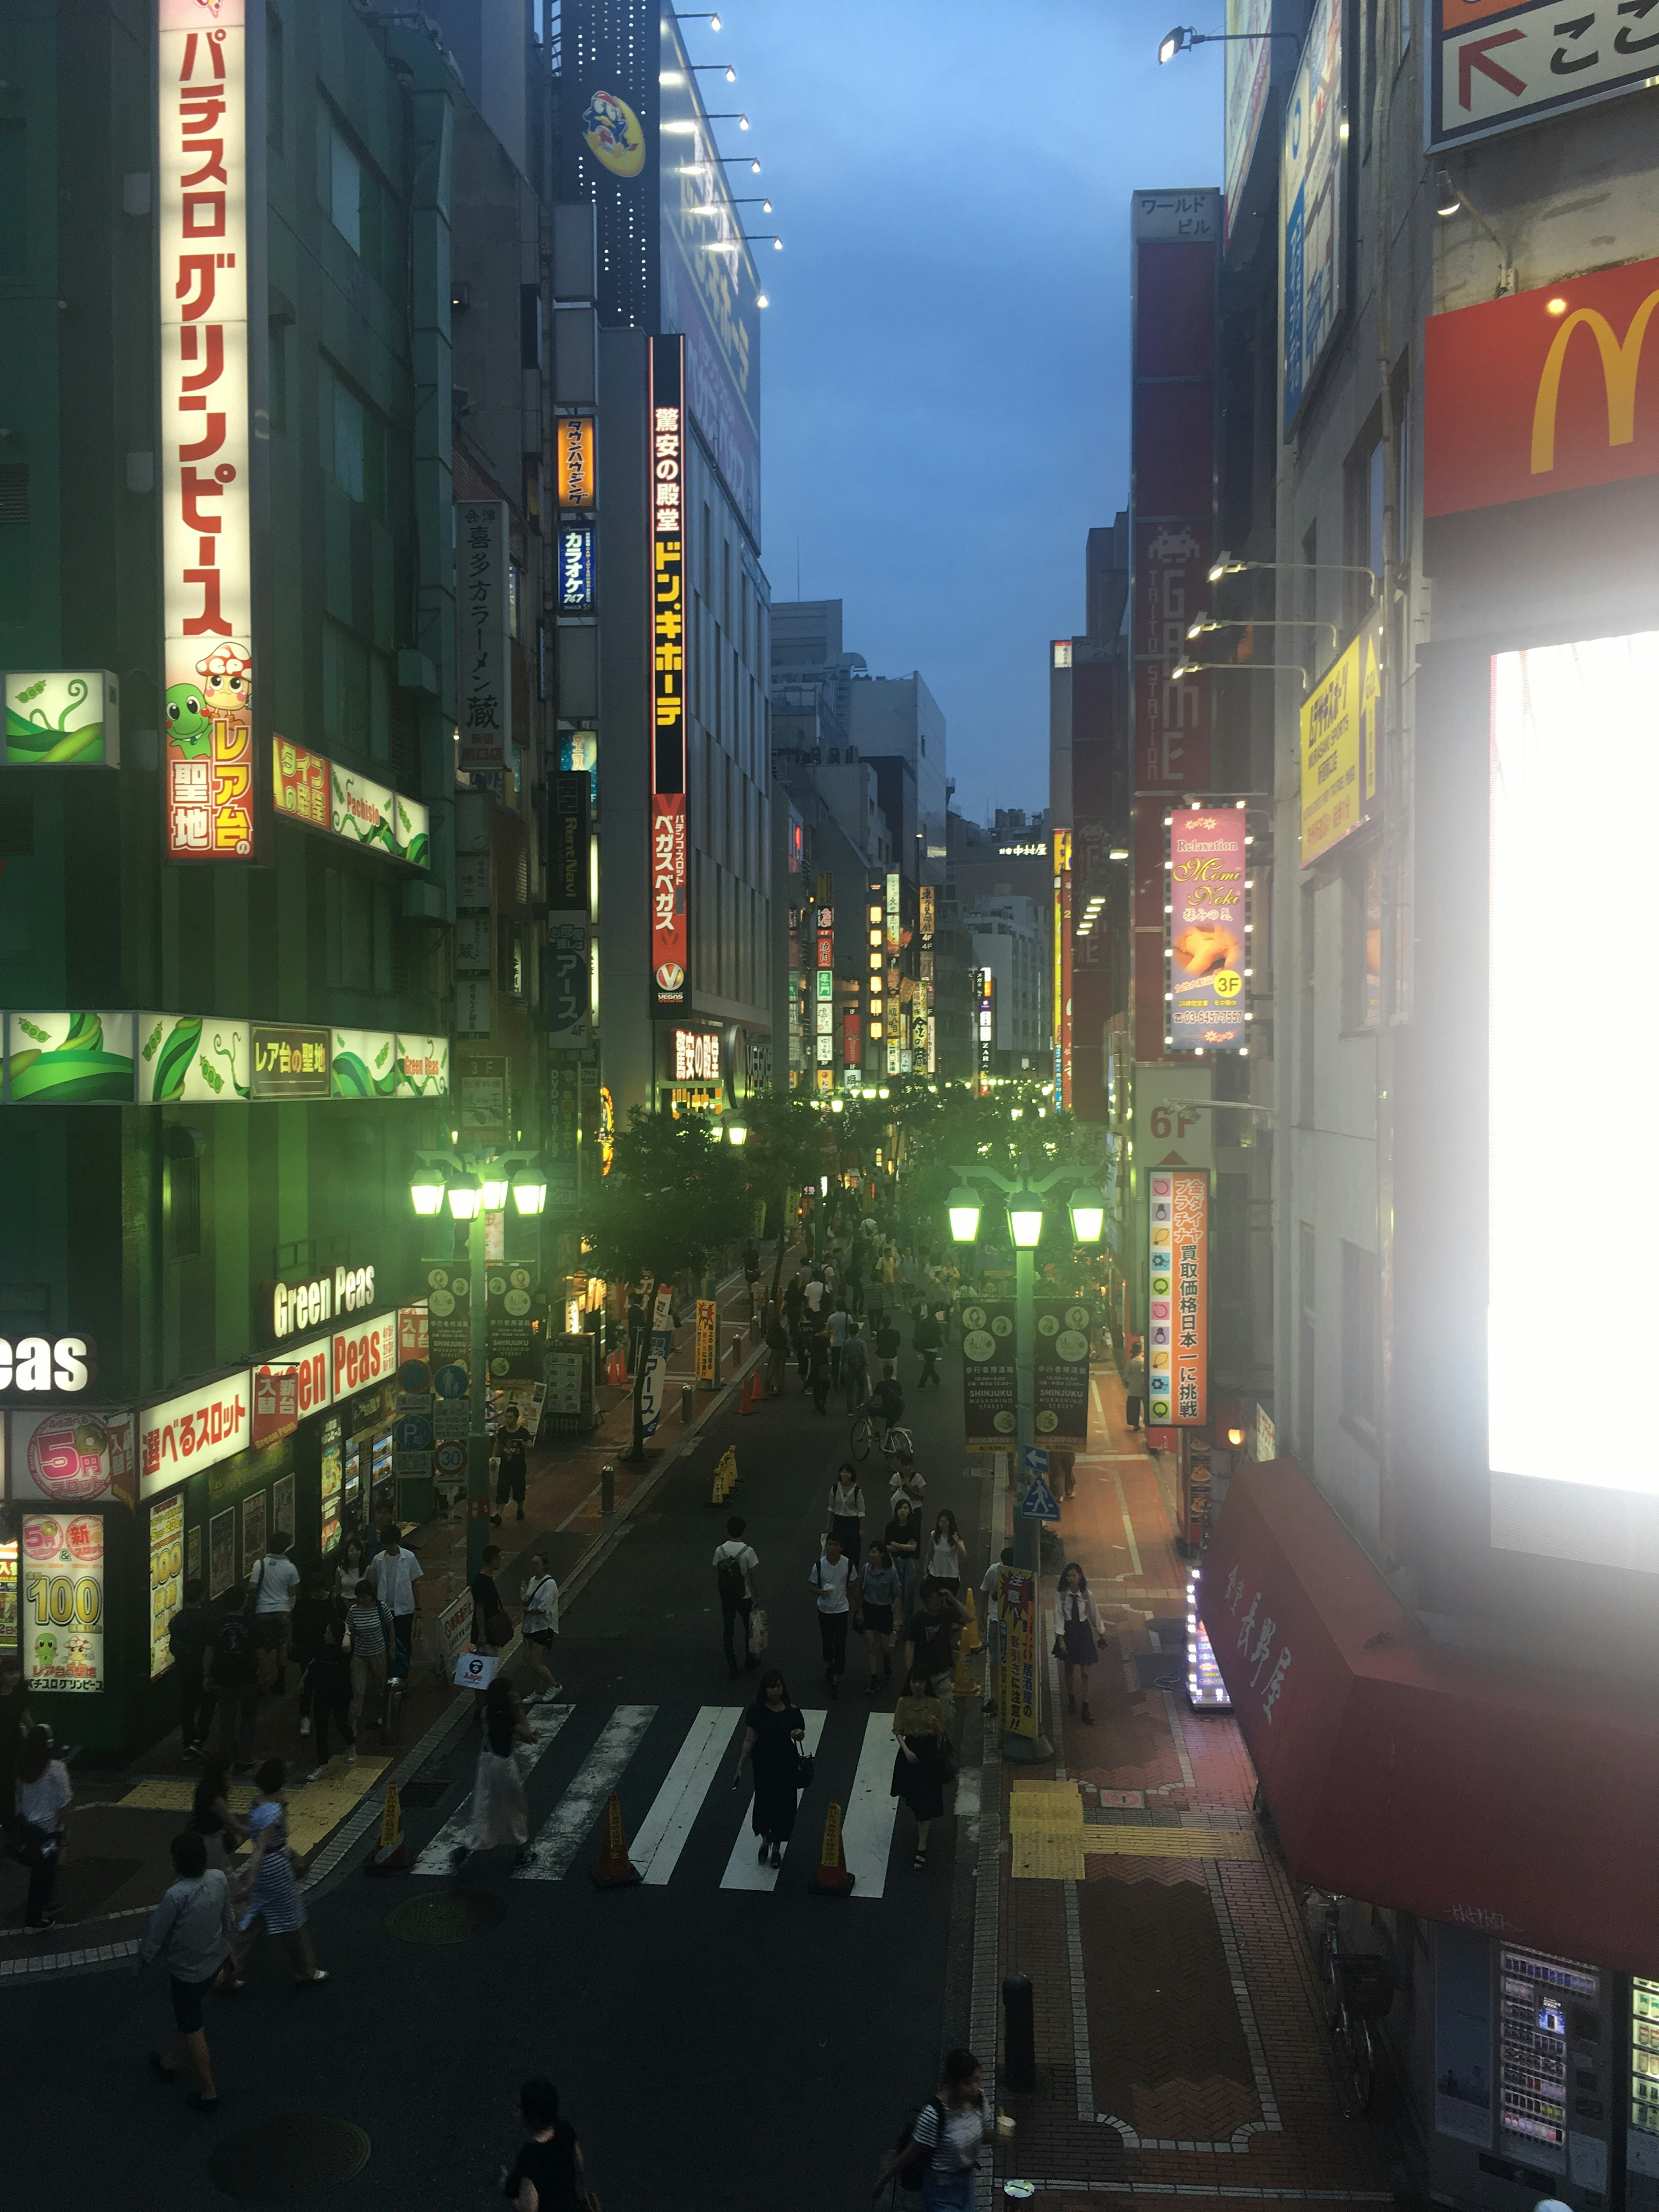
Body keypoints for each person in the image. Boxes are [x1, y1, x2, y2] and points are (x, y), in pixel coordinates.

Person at [140, 1829, 235, 2113]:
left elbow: (156, 1935)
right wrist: (228, 1953)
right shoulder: (218, 1879)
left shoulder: (176, 1895)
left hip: (186, 1972)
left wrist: (144, 1960)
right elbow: (227, 1917)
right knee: (188, 2016)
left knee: (194, 2026)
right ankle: (169, 2061)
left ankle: (209, 2091)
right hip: (213, 1961)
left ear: (177, 1862)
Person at [238, 1759, 327, 1983]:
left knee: (251, 1920)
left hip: (268, 1866)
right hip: (276, 1869)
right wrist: (251, 1877)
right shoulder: (274, 1811)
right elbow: (262, 1846)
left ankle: (230, 1971)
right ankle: (306, 1970)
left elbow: (257, 1844)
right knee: (292, 1921)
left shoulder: (257, 1804)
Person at [874, 2049, 995, 2209]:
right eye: (968, 2083)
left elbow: (980, 2134)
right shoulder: (934, 2115)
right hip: (941, 2189)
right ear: (953, 2083)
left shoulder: (978, 2100)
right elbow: (911, 2153)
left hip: (966, 2182)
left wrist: (998, 2137)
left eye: (978, 2080)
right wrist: (884, 2180)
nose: (975, 2088)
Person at [732, 1667, 806, 1870]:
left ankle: (776, 1848)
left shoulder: (792, 1710)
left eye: (779, 1686)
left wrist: (798, 1734)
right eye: (772, 1687)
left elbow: (801, 1734)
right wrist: (740, 1766)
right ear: (764, 1690)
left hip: (786, 1764)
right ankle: (765, 1842)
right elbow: (749, 1740)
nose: (777, 1691)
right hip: (764, 1765)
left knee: (785, 1805)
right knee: (764, 1802)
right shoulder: (756, 1711)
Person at [464, 1676, 533, 1866]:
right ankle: (521, 1853)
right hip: (503, 1765)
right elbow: (529, 1734)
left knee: (485, 1804)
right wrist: (519, 1707)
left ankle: (469, 1846)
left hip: (486, 1761)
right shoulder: (506, 1716)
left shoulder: (488, 1711)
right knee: (515, 1807)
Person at [890, 1663, 951, 1868]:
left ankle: (922, 1846)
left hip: (929, 1753)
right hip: (911, 1751)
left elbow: (942, 1732)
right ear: (910, 1683)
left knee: (924, 1800)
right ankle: (921, 1826)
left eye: (921, 1682)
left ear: (926, 1684)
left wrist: (937, 1727)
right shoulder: (903, 1703)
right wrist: (906, 1750)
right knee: (915, 1798)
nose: (918, 1685)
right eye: (914, 1681)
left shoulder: (934, 1704)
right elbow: (898, 1730)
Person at [500, 2076, 588, 2212]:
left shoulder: (531, 2155)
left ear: (532, 2117)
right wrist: (582, 2201)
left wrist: (508, 2191)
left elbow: (530, 2209)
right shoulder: (564, 2129)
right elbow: (579, 2166)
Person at [12, 1728, 71, 1930]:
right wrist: (63, 1832)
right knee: (44, 1873)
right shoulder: (55, 1769)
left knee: (43, 1870)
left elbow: (19, 1798)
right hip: (49, 1830)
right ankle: (35, 1918)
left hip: (27, 1829)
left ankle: (44, 1905)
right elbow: (64, 1803)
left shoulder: (22, 1767)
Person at [205, 1585, 259, 1771]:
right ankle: (246, 1755)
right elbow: (259, 1651)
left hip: (223, 1678)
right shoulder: (252, 1624)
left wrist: (207, 1675)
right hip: (248, 1677)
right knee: (249, 1717)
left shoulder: (217, 1624)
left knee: (226, 1719)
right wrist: (267, 1672)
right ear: (243, 1602)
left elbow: (209, 1652)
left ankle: (227, 1754)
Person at [305, 1611, 355, 1779]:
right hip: (322, 1692)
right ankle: (323, 1764)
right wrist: (304, 1684)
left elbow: (347, 1646)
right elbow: (313, 1665)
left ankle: (350, 1743)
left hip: (340, 1693)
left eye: (328, 1632)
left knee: (341, 1722)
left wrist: (347, 1630)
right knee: (321, 1728)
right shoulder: (321, 1647)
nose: (325, 1635)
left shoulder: (344, 1650)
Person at [369, 1526, 423, 1681]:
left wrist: (418, 1608)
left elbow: (415, 1584)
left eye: (389, 1544)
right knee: (385, 1644)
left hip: (404, 1610)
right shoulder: (377, 1560)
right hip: (384, 1610)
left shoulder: (409, 1558)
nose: (387, 1548)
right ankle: (388, 1675)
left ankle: (402, 1679)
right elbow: (374, 1585)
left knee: (404, 1644)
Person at [168, 1579, 214, 1757]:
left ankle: (188, 1743)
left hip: (183, 1669)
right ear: (202, 1596)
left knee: (187, 1706)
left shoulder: (177, 1620)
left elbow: (174, 1646)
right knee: (208, 1703)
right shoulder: (205, 1620)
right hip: (201, 1668)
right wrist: (208, 1672)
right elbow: (209, 1649)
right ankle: (199, 1740)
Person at [1056, 1561, 1107, 1724]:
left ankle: (1085, 1703)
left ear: (1080, 1576)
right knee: (1069, 1669)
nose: (1071, 1578)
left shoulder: (1087, 1595)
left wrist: (1101, 1634)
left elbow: (1094, 1614)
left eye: (1073, 1575)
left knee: (1086, 1671)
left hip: (1084, 1632)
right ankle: (1071, 1697)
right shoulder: (1062, 1595)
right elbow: (1059, 1617)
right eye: (1068, 1576)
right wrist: (1061, 1638)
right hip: (1069, 1632)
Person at [249, 1531, 300, 1692]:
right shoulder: (291, 1568)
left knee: (262, 1648)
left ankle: (263, 1678)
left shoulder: (260, 1565)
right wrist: (288, 1609)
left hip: (262, 1612)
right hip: (282, 1611)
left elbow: (252, 1588)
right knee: (281, 1646)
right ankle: (281, 1680)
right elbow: (292, 1593)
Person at [713, 1515, 761, 1679]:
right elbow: (753, 1576)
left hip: (727, 1597)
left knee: (728, 1631)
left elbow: (718, 1571)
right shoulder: (748, 1552)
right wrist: (757, 1596)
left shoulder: (720, 1551)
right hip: (744, 1596)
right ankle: (750, 1659)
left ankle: (732, 1664)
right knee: (748, 1629)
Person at [903, 1578, 966, 1699]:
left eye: (939, 1598)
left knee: (946, 1713)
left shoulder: (946, 1614)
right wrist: (911, 1673)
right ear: (926, 1600)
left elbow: (968, 1618)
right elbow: (910, 1646)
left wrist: (952, 1599)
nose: (937, 1602)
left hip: (942, 1672)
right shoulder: (917, 1620)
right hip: (923, 1676)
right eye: (933, 1599)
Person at [809, 1532, 855, 1699]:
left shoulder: (848, 1565)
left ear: (841, 1548)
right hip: (825, 1610)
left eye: (835, 1545)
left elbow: (853, 1586)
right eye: (829, 1545)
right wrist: (821, 1592)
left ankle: (836, 1677)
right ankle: (830, 1663)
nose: (831, 1548)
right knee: (828, 1642)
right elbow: (812, 1586)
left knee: (840, 1644)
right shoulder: (819, 1566)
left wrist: (859, 1608)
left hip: (842, 1610)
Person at [344, 1578, 391, 1735]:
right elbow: (351, 1631)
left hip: (378, 1653)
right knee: (358, 1690)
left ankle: (382, 1715)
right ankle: (354, 1723)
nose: (360, 1600)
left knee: (380, 1687)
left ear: (371, 1595)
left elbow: (390, 1627)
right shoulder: (354, 1611)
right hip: (360, 1655)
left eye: (363, 1596)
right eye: (359, 1597)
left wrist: (392, 1648)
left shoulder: (381, 1607)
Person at [189, 1755, 249, 1876]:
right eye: (229, 1772)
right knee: (225, 1876)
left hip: (202, 1836)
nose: (231, 1776)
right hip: (210, 1842)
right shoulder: (213, 1796)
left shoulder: (205, 1788)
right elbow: (234, 1823)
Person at [858, 1542, 900, 1693]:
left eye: (875, 1552)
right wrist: (860, 1611)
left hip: (884, 1610)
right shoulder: (866, 1570)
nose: (872, 1555)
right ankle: (874, 1678)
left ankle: (887, 1663)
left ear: (882, 1554)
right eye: (871, 1552)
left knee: (886, 1647)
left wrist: (897, 1618)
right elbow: (861, 1592)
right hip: (870, 1608)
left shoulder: (891, 1573)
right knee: (870, 1645)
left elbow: (897, 1596)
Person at [520, 1554, 561, 1703]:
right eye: (532, 1564)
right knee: (529, 1660)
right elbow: (529, 1598)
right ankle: (538, 1690)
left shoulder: (550, 1584)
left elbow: (544, 1607)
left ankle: (554, 1685)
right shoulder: (532, 1581)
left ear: (544, 1565)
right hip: (530, 1627)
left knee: (535, 1662)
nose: (534, 1567)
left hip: (543, 1627)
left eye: (537, 1564)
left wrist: (528, 1611)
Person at [979, 1545, 1014, 1716]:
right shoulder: (994, 1571)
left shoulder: (1019, 1574)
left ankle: (1006, 1698)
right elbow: (984, 1591)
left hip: (1013, 1623)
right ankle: (995, 1699)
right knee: (995, 1662)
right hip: (996, 1619)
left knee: (1008, 1663)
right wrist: (981, 1616)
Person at [884, 1495, 923, 1621]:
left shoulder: (913, 1527)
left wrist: (896, 1545)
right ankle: (896, 1616)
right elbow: (886, 1547)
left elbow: (913, 1547)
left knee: (909, 1590)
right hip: (894, 1561)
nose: (902, 1510)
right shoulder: (891, 1527)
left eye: (906, 1508)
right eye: (900, 1508)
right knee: (896, 1590)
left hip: (908, 1561)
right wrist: (904, 1547)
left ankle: (908, 1618)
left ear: (910, 1511)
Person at [491, 1402, 529, 1525]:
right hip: (505, 1467)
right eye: (506, 1417)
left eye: (510, 1417)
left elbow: (531, 1445)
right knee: (502, 1490)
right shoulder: (502, 1432)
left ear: (517, 1418)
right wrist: (493, 1457)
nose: (508, 1419)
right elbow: (497, 1444)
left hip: (519, 1467)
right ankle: (499, 1515)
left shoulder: (523, 1433)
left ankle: (520, 1509)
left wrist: (524, 1445)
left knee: (519, 1490)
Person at [826, 1463, 866, 1565]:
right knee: (838, 1548)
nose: (845, 1475)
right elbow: (831, 1507)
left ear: (852, 1475)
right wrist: (828, 1524)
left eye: (848, 1473)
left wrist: (861, 1529)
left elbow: (861, 1511)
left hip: (852, 1523)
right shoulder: (835, 1488)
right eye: (843, 1472)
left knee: (852, 1550)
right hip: (839, 1521)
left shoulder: (857, 1491)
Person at [926, 1510, 967, 1600]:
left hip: (951, 1576)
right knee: (935, 1602)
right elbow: (930, 1552)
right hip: (935, 1574)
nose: (942, 1524)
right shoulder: (935, 1535)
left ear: (950, 1522)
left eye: (944, 1522)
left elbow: (964, 1554)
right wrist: (925, 1570)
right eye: (940, 1522)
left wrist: (957, 1543)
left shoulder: (956, 1537)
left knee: (950, 1603)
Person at [840, 1317, 870, 1413]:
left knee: (849, 1390)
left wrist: (843, 1368)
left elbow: (843, 1355)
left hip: (849, 1368)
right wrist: (867, 1367)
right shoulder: (862, 1343)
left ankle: (850, 1410)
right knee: (861, 1387)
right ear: (858, 1332)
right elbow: (865, 1356)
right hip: (860, 1368)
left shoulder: (846, 1342)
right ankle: (859, 1404)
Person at [334, 1532, 369, 1608]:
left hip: (362, 1606)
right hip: (344, 1605)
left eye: (358, 1550)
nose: (355, 1553)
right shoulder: (341, 1570)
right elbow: (338, 1591)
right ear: (347, 1553)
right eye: (351, 1550)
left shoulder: (368, 1569)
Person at [763, 1299, 790, 1397]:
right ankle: (780, 1388)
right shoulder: (782, 1331)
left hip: (775, 1351)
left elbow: (768, 1341)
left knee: (772, 1369)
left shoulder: (772, 1331)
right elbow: (786, 1340)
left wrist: (772, 1345)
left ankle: (769, 1386)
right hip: (782, 1352)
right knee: (781, 1370)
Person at [914, 1304, 944, 1388]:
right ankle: (922, 1384)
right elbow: (940, 1335)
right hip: (934, 1347)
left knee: (929, 1364)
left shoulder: (924, 1322)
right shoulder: (936, 1323)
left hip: (924, 1346)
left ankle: (936, 1379)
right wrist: (944, 1344)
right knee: (929, 1365)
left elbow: (919, 1333)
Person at [807, 1317, 833, 1414]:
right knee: (826, 1384)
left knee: (816, 1385)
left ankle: (816, 1403)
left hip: (815, 1364)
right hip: (824, 1364)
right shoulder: (825, 1340)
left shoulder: (811, 1339)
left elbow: (808, 1352)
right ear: (822, 1329)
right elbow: (829, 1352)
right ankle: (823, 1401)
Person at [826, 1298, 850, 1388]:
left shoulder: (831, 1318)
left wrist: (831, 1337)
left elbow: (827, 1331)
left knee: (835, 1363)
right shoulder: (848, 1317)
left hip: (835, 1343)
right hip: (845, 1343)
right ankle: (843, 1381)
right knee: (844, 1363)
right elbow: (851, 1330)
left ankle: (835, 1381)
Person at [1125, 1340, 1147, 1433]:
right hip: (1144, 1388)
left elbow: (1126, 1375)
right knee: (1146, 1406)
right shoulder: (1144, 1361)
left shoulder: (1131, 1361)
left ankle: (1136, 1425)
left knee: (1134, 1407)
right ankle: (1148, 1423)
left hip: (1134, 1388)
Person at [874, 1312, 902, 1376]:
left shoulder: (880, 1333)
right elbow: (898, 1344)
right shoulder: (896, 1333)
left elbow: (878, 1343)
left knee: (883, 1374)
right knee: (893, 1374)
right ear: (890, 1322)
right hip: (892, 1355)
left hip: (882, 1355)